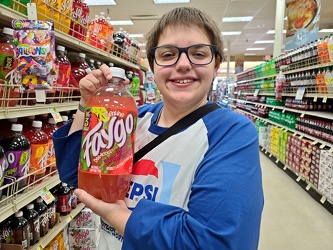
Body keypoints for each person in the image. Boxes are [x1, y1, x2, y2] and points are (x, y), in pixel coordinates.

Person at [53, 7, 264, 250]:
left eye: (198, 53)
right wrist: (86, 106)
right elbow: (75, 176)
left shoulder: (230, 132)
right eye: (167, 55)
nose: (183, 64)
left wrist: (119, 218)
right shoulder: (133, 117)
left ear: (216, 64)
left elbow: (217, 242)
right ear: (153, 66)